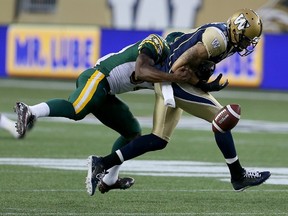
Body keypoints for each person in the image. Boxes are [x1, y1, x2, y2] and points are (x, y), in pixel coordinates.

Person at [86, 8, 271, 196]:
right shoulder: (219, 40)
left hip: (170, 80)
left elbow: (182, 43)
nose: (248, 44)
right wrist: (199, 83)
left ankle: (103, 163)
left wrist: (201, 81)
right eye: (247, 39)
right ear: (236, 31)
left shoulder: (227, 38)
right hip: (172, 80)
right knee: (223, 118)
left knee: (158, 139)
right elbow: (177, 67)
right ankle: (238, 175)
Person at [14, 33, 197, 193]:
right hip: (98, 77)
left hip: (107, 92)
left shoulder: (168, 68)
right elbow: (141, 71)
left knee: (132, 133)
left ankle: (109, 180)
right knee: (77, 109)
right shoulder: (157, 44)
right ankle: (30, 110)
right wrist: (173, 77)